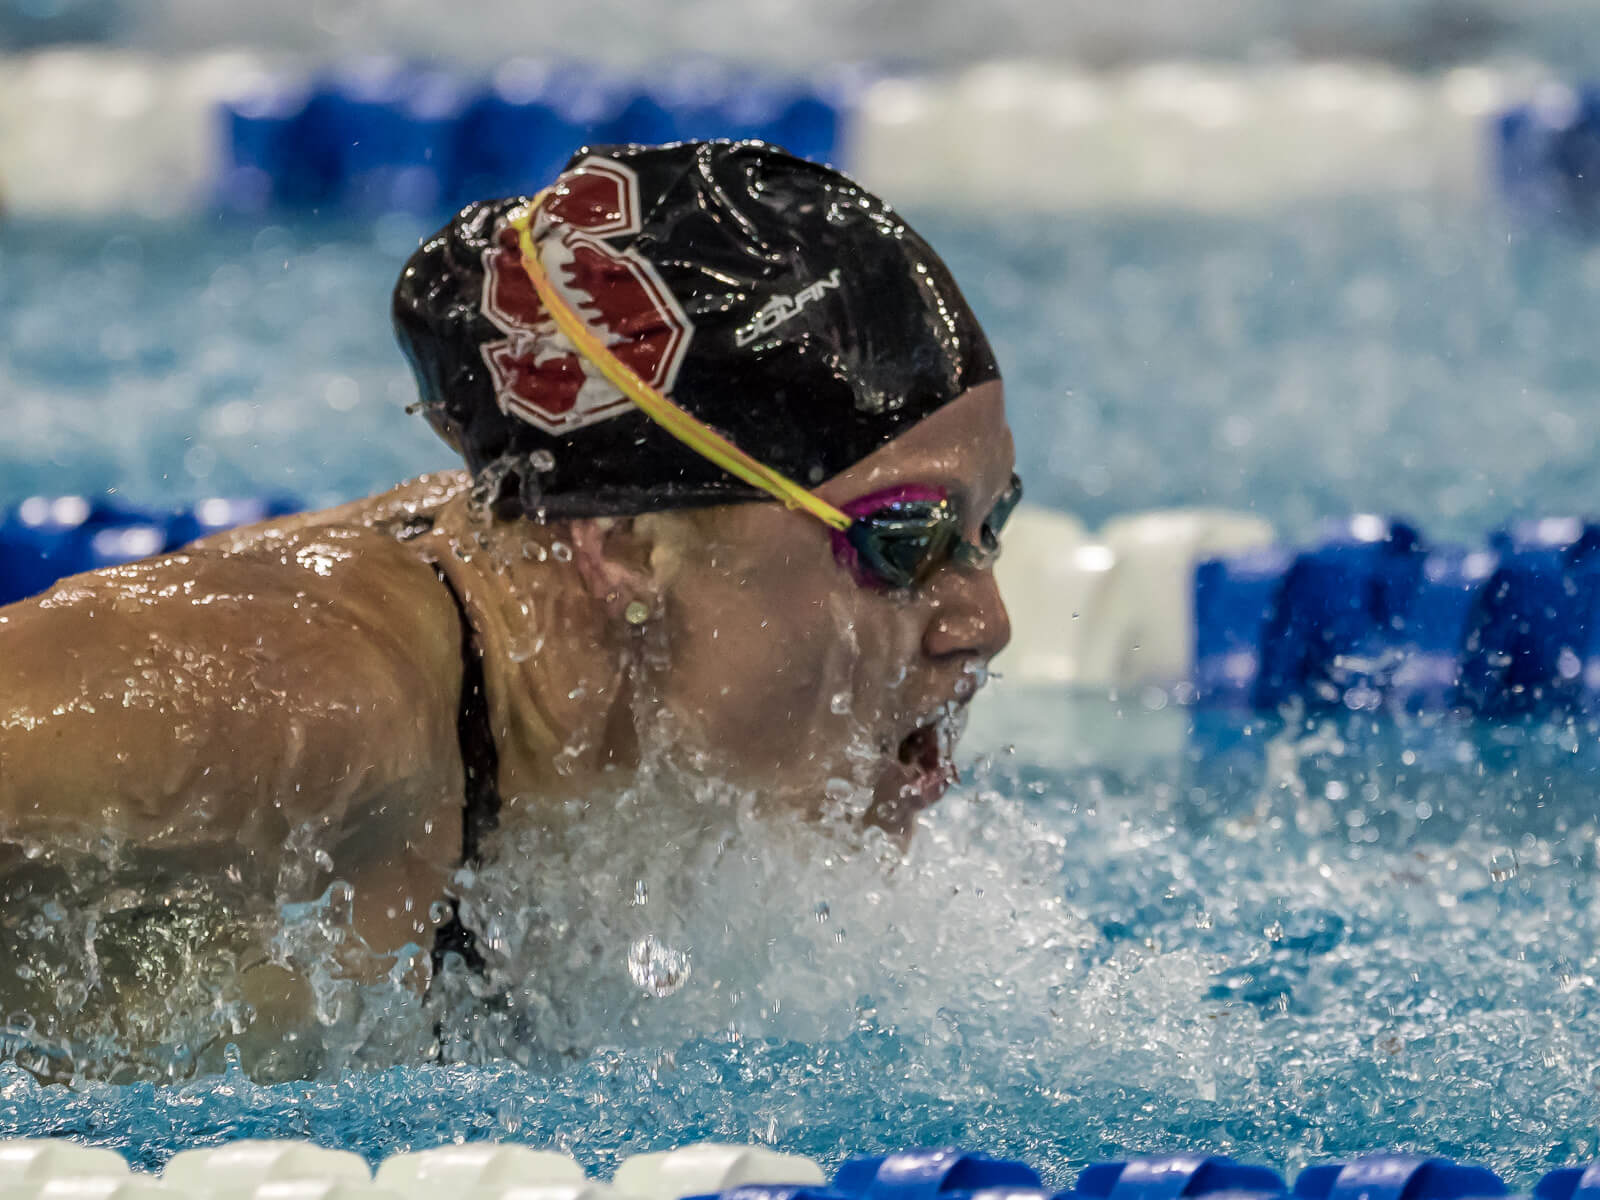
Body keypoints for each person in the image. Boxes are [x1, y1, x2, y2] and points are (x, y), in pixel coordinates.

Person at [0, 140, 1017, 1077]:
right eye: (905, 540)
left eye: (987, 528)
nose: (984, 618)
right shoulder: (291, 712)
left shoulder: (591, 739)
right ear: (622, 550)